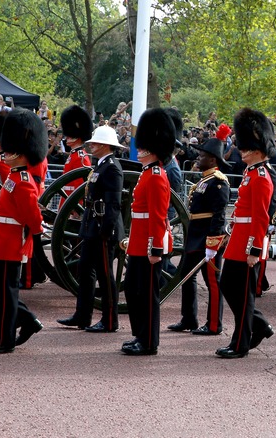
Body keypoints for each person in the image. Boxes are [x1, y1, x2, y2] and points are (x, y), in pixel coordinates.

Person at [0, 109, 46, 354]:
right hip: (0, 238)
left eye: (11, 150)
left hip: (11, 241)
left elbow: (32, 215)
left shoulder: (24, 179)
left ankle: (3, 339)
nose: (6, 154)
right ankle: (26, 320)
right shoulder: (14, 177)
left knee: (5, 292)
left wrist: (35, 235)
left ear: (22, 153)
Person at [215, 108, 276, 359]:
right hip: (238, 238)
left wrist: (253, 250)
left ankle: (240, 343)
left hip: (248, 242)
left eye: (246, 147)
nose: (242, 150)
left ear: (258, 149)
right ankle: (259, 326)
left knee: (242, 293)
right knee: (228, 286)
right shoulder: (250, 173)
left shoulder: (261, 177)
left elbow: (261, 217)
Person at [57, 126, 125, 332]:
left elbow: (113, 203)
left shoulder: (112, 167)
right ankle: (82, 315)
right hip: (92, 226)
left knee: (105, 276)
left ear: (105, 145)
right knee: (85, 271)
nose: (91, 146)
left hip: (103, 229)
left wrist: (106, 231)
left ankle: (110, 320)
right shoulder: (101, 165)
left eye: (94, 143)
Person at [121, 108, 176, 356]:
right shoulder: (147, 174)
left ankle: (149, 341)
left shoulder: (156, 176)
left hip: (148, 244)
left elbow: (157, 216)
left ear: (152, 148)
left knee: (147, 294)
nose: (139, 149)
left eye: (143, 147)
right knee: (133, 289)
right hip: (138, 241)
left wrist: (155, 248)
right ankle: (140, 335)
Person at [167, 124, 231, 336]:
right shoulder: (205, 179)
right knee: (187, 276)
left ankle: (214, 324)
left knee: (212, 282)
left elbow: (219, 215)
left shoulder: (219, 182)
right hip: (195, 235)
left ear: (212, 159)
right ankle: (189, 319)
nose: (197, 158)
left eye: (202, 155)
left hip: (207, 238)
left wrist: (213, 242)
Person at [59, 105, 93, 204]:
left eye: (70, 134)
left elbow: (80, 188)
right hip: (66, 201)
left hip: (72, 205)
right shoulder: (74, 155)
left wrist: (76, 209)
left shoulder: (80, 157)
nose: (67, 137)